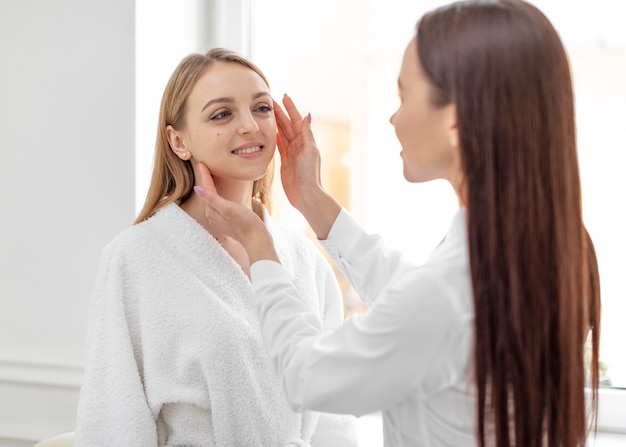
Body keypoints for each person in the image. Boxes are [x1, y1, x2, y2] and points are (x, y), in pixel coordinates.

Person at [193, 1, 602, 446]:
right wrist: (313, 201)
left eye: (404, 96)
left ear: (456, 120)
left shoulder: (451, 290)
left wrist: (260, 249)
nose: (394, 117)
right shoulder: (544, 249)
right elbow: (415, 302)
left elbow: (307, 374)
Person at [74, 48, 359, 447]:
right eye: (222, 114)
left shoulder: (306, 261)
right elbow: (114, 419)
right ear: (178, 141)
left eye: (261, 108)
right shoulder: (134, 258)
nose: (250, 126)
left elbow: (335, 419)